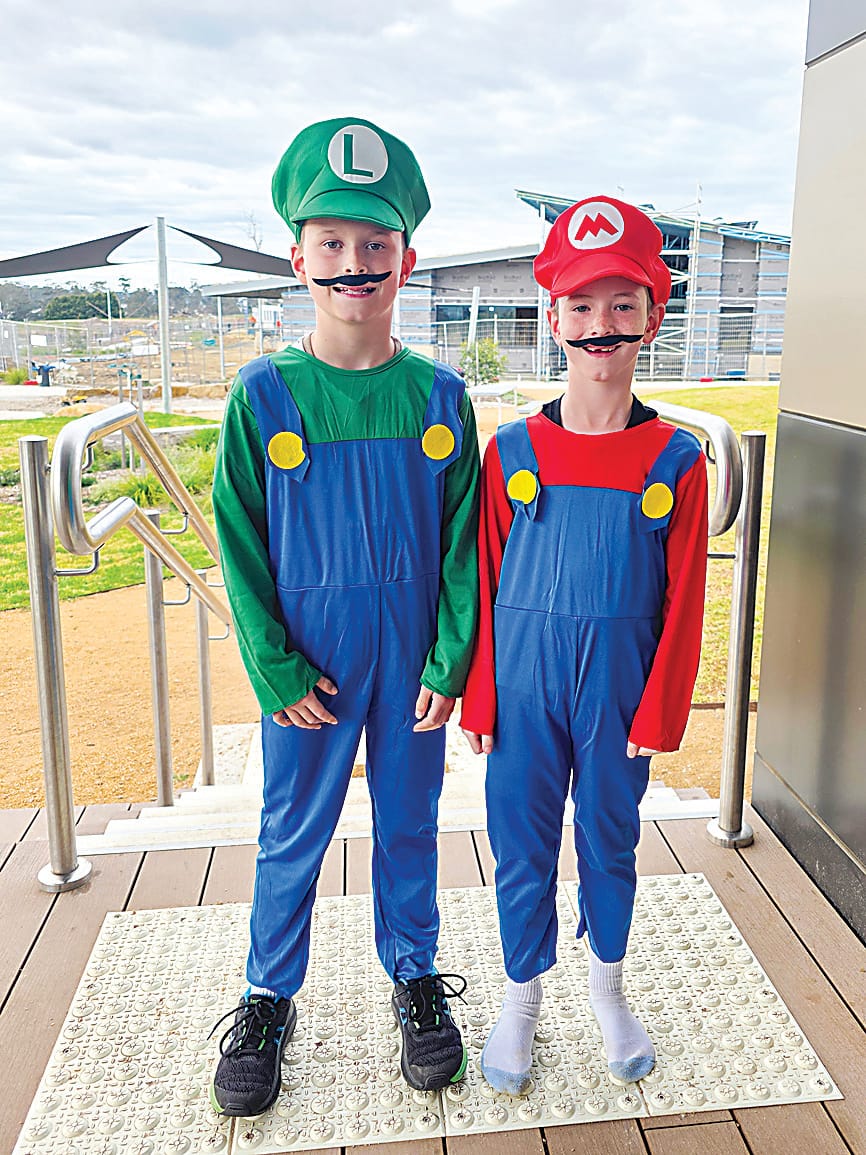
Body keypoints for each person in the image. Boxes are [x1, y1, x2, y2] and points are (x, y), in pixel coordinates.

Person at [209, 117, 480, 1117]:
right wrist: (274, 668)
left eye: (374, 245)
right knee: (292, 832)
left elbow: (462, 543)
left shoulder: (441, 394)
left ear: (405, 259)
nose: (353, 264)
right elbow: (237, 543)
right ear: (298, 257)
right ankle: (267, 995)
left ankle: (413, 973)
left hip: (412, 662)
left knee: (408, 824)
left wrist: (449, 659)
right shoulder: (263, 396)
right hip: (309, 669)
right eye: (331, 244)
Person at [461, 196, 708, 1093]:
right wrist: (480, 694)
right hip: (522, 687)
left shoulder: (676, 456)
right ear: (552, 318)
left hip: (619, 688)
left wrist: (662, 705)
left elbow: (686, 600)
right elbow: (483, 584)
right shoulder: (512, 448)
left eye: (621, 304)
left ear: (652, 314)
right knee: (521, 841)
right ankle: (520, 998)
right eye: (580, 305)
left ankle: (608, 990)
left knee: (608, 837)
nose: (600, 325)